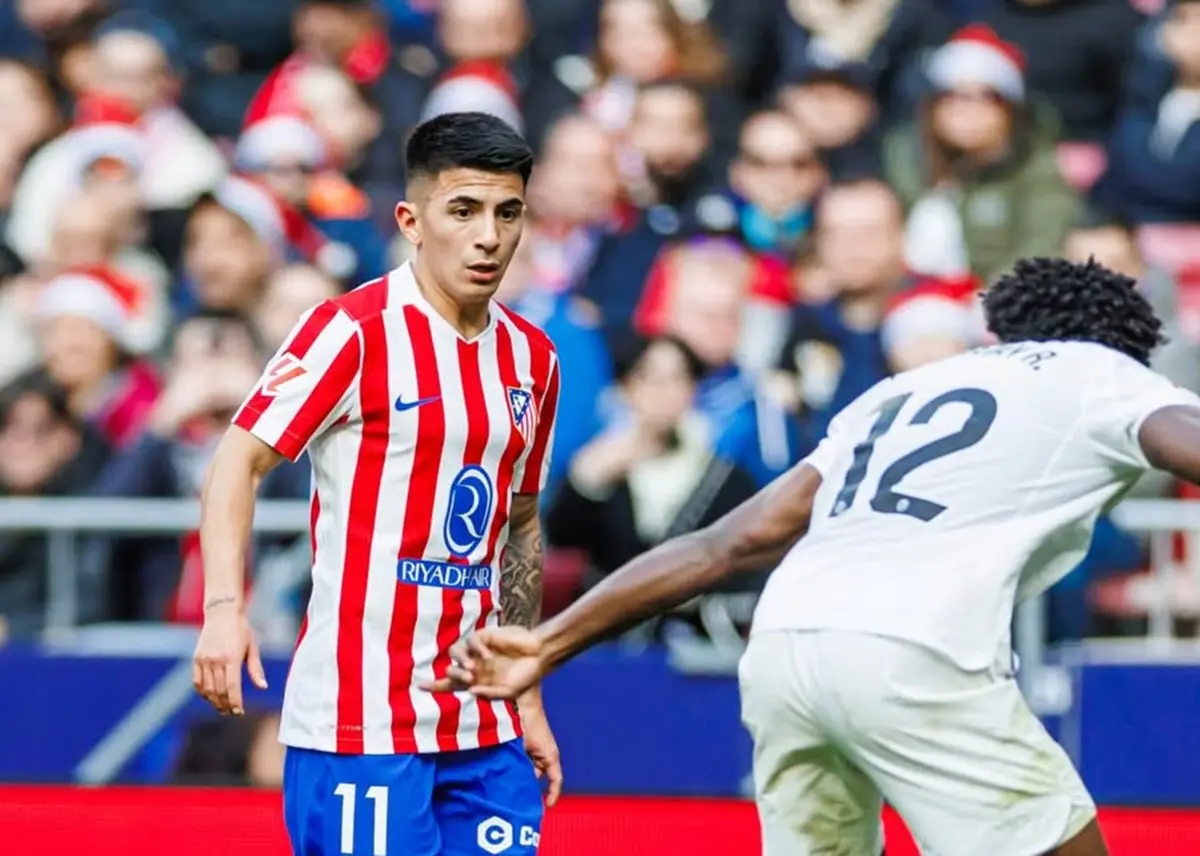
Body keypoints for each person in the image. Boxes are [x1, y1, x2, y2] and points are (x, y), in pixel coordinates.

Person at [432, 256, 1200, 856]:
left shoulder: (902, 391)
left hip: (784, 647)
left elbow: (726, 542)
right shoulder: (1104, 372)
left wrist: (547, 643)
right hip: (914, 650)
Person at [192, 111, 562, 856]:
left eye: (508, 213)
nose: (489, 236)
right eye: (464, 210)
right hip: (360, 724)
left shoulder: (533, 359)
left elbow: (519, 524)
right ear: (411, 220)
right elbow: (237, 460)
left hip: (483, 729)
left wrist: (526, 693)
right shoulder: (351, 332)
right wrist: (224, 610)